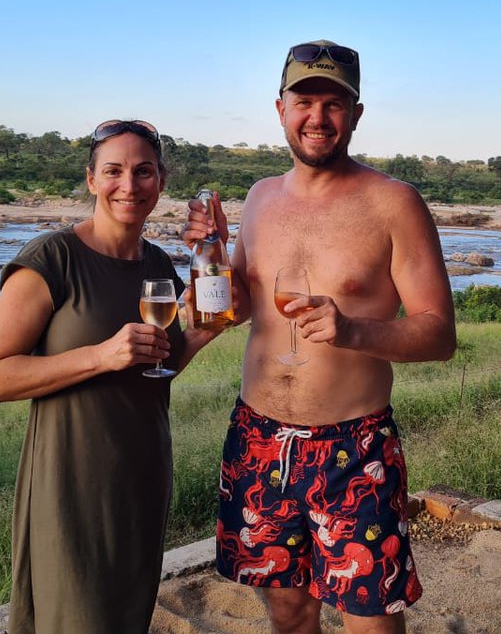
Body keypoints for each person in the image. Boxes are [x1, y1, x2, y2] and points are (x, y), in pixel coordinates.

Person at [185, 41, 456, 633]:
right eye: (305, 101)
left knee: (369, 616)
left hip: (353, 446)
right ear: (279, 108)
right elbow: (230, 309)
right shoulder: (259, 197)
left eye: (335, 104)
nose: (318, 117)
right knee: (287, 611)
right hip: (257, 438)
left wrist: (354, 329)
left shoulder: (394, 203)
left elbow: (439, 335)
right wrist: (209, 255)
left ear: (356, 115)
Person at [0, 118, 218, 633]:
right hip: (72, 480)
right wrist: (100, 356)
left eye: (143, 171)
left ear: (161, 182)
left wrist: (197, 335)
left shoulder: (156, 264)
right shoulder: (52, 258)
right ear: (91, 180)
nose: (129, 185)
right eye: (114, 171)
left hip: (143, 473)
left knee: (126, 618)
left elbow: (158, 368)